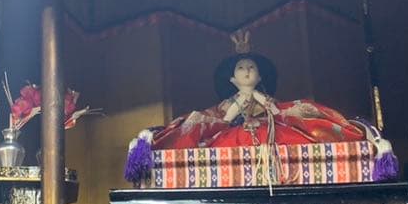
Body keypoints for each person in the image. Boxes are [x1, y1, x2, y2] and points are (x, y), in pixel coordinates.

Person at [150, 31, 365, 151]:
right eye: (241, 68)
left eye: (251, 68)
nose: (247, 71)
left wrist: (261, 100)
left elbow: (280, 114)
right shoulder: (226, 104)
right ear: (232, 79)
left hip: (271, 137)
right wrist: (237, 107)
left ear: (260, 76)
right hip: (232, 138)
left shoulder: (267, 99)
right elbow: (221, 120)